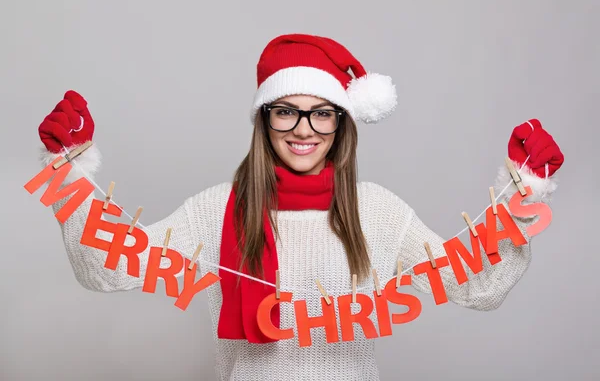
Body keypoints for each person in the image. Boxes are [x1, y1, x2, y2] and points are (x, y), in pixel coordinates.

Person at [36, 33, 564, 381]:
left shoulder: (377, 212)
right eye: (286, 112)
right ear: (264, 120)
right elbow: (107, 269)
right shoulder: (218, 209)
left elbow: (474, 286)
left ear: (342, 123)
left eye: (321, 114)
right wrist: (69, 169)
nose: (304, 130)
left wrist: (522, 198)